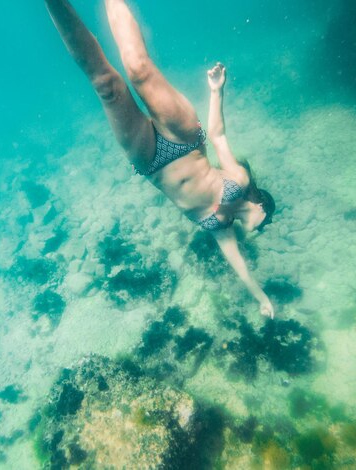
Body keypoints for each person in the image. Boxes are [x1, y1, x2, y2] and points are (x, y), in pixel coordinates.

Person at [45, 0, 276, 318]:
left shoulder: (221, 229)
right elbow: (219, 137)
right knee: (138, 69)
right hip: (186, 141)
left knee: (106, 86)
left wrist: (261, 298)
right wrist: (216, 91)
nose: (263, 230)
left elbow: (241, 270)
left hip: (150, 162)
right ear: (262, 205)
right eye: (268, 223)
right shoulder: (240, 179)